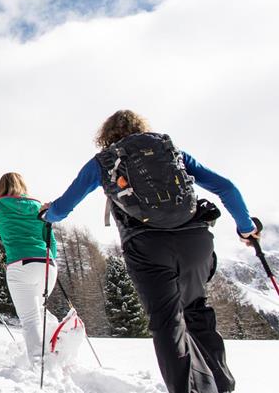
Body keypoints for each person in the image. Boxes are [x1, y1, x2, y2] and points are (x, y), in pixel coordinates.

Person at [42, 109, 260, 393]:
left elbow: (62, 208)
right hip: (196, 241)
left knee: (167, 322)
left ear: (106, 136)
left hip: (148, 248)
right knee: (195, 309)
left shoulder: (103, 162)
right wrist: (245, 227)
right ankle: (221, 385)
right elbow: (226, 187)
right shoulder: (170, 151)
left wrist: (46, 215)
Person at [0, 173, 58, 362]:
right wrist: (50, 260)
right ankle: (57, 348)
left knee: (30, 319)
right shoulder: (37, 206)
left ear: (1, 187)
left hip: (20, 265)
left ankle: (39, 363)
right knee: (39, 311)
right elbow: (50, 240)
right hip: (47, 265)